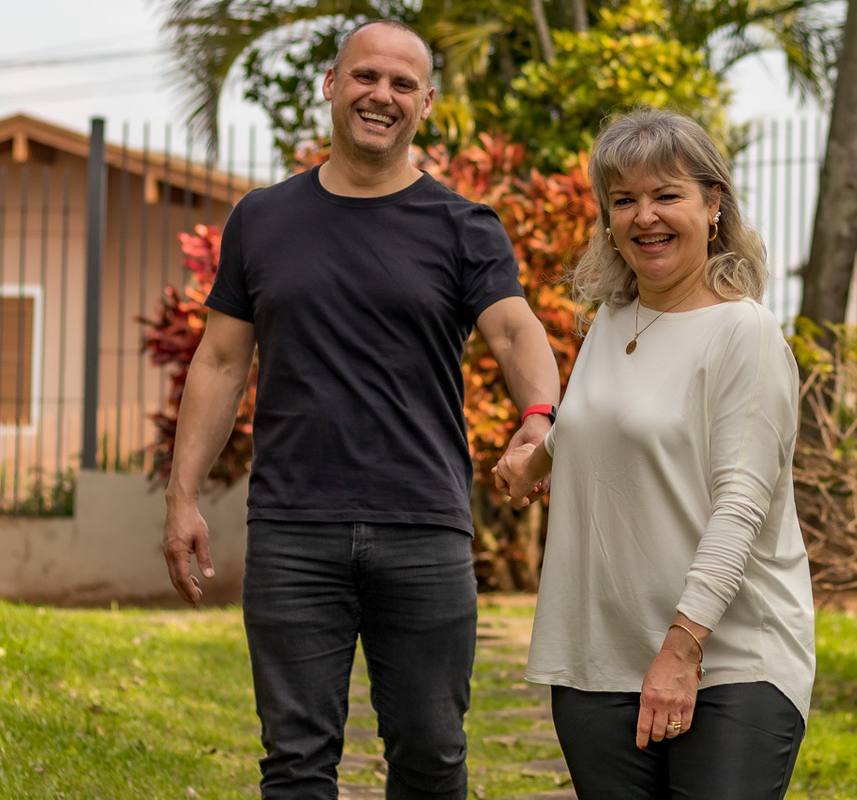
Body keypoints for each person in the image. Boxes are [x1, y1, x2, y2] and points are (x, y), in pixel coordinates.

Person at [161, 18, 561, 800]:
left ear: (427, 103)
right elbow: (219, 360)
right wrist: (182, 498)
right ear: (332, 85)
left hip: (424, 525)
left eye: (403, 83)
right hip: (292, 528)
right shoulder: (262, 219)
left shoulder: (464, 226)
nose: (382, 95)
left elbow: (516, 331)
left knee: (431, 756)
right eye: (366, 76)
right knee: (295, 764)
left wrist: (539, 418)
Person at [494, 107, 815, 800]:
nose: (645, 217)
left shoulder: (745, 334)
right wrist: (535, 462)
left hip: (730, 661)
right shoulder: (614, 320)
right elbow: (597, 422)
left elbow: (740, 508)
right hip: (598, 659)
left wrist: (681, 648)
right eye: (624, 200)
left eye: (667, 194)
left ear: (713, 203)